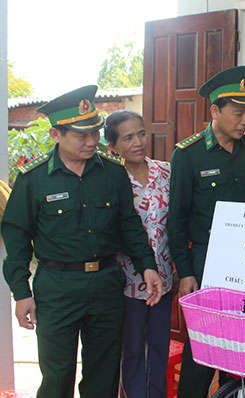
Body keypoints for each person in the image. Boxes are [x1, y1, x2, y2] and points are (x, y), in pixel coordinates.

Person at [1, 85, 163, 398]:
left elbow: (129, 224)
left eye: (95, 133)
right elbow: (17, 239)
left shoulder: (112, 173)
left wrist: (148, 266)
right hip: (57, 286)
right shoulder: (33, 179)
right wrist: (21, 293)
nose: (91, 142)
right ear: (55, 135)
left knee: (102, 372)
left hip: (105, 283)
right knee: (57, 373)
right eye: (81, 135)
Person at [169, 65, 245, 397]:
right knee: (204, 347)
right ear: (215, 110)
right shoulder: (188, 154)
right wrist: (185, 272)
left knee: (242, 344)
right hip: (205, 259)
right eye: (238, 113)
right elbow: (177, 219)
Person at [104, 110, 175, 398]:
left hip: (165, 277)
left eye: (141, 133)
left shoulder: (166, 171)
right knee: (131, 350)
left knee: (160, 346)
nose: (138, 142)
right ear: (113, 146)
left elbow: (179, 221)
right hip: (127, 280)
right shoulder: (110, 179)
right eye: (128, 137)